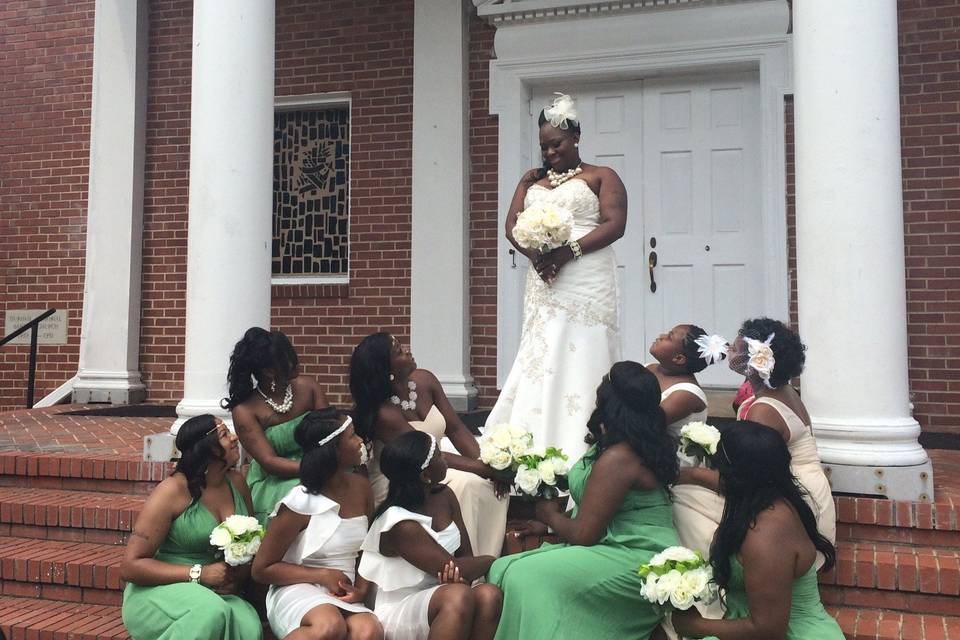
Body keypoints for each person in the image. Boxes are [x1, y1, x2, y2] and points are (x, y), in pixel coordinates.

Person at [488, 362, 680, 640]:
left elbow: (585, 535)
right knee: (504, 567)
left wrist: (549, 516)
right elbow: (600, 506)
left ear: (611, 401)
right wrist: (552, 525)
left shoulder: (620, 457)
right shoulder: (620, 441)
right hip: (614, 543)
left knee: (525, 575)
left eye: (604, 382)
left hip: (639, 557)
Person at [485, 93, 627, 461]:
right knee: (544, 346)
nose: (549, 153)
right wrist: (536, 255)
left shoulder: (601, 176)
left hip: (587, 273)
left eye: (556, 144)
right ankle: (535, 432)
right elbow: (511, 226)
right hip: (545, 277)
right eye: (544, 147)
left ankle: (587, 435)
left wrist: (568, 252)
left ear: (576, 137)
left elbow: (615, 225)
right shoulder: (532, 181)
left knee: (583, 345)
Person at [672, 422, 843, 639]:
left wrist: (697, 626)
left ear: (735, 475)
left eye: (719, 467)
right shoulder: (768, 492)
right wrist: (687, 475)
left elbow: (768, 630)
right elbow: (728, 484)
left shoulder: (765, 535)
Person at [350, 332, 509, 558]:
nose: (407, 350)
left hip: (439, 465)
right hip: (404, 478)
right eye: (398, 352)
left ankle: (488, 558)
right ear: (388, 370)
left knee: (487, 485)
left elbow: (456, 429)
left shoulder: (425, 380)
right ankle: (467, 565)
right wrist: (483, 470)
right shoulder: (383, 413)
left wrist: (487, 463)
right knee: (468, 485)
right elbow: (424, 452)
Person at [120, 415, 262, 640]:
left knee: (247, 624)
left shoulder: (237, 483)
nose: (235, 438)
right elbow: (130, 567)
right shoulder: (172, 491)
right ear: (208, 448)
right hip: (162, 588)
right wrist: (200, 574)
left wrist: (237, 578)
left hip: (217, 590)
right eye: (225, 434)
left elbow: (251, 545)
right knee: (210, 613)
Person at [358, 431, 502, 640]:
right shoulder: (399, 524)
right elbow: (459, 566)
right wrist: (492, 560)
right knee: (457, 596)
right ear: (425, 475)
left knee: (489, 595)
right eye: (440, 456)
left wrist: (463, 575)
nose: (445, 460)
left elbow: (465, 557)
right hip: (400, 609)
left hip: (446, 595)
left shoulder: (445, 495)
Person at [252, 408, 382, 640]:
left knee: (368, 631)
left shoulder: (361, 487)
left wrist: (361, 589)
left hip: (344, 589)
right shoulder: (298, 502)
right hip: (297, 587)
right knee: (329, 626)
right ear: (334, 449)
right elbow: (261, 569)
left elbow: (369, 548)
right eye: (352, 435)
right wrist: (321, 575)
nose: (360, 440)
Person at [729, 317, 836, 545]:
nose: (730, 352)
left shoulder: (764, 410)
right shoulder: (785, 390)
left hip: (795, 497)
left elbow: (753, 472)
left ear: (755, 362)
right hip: (805, 485)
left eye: (737, 349)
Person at [223, 327, 330, 524]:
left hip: (323, 462)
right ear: (268, 371)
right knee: (300, 494)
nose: (295, 362)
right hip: (277, 478)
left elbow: (330, 433)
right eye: (287, 358)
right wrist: (312, 469)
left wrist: (327, 464)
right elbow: (269, 461)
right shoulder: (245, 410)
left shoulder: (309, 388)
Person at [647, 324, 727, 436]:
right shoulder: (647, 367)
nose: (661, 336)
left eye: (669, 337)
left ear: (679, 358)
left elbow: (646, 423)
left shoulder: (686, 393)